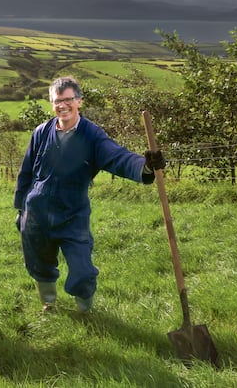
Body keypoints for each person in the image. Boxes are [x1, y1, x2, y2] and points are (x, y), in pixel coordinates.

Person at [13, 76, 165, 314]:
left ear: (79, 101)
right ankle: (48, 304)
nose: (62, 106)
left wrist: (145, 165)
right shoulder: (41, 132)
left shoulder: (92, 135)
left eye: (67, 100)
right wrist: (21, 209)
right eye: (56, 101)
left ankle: (85, 311)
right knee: (40, 264)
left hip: (72, 214)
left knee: (83, 271)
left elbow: (117, 157)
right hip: (37, 214)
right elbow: (26, 173)